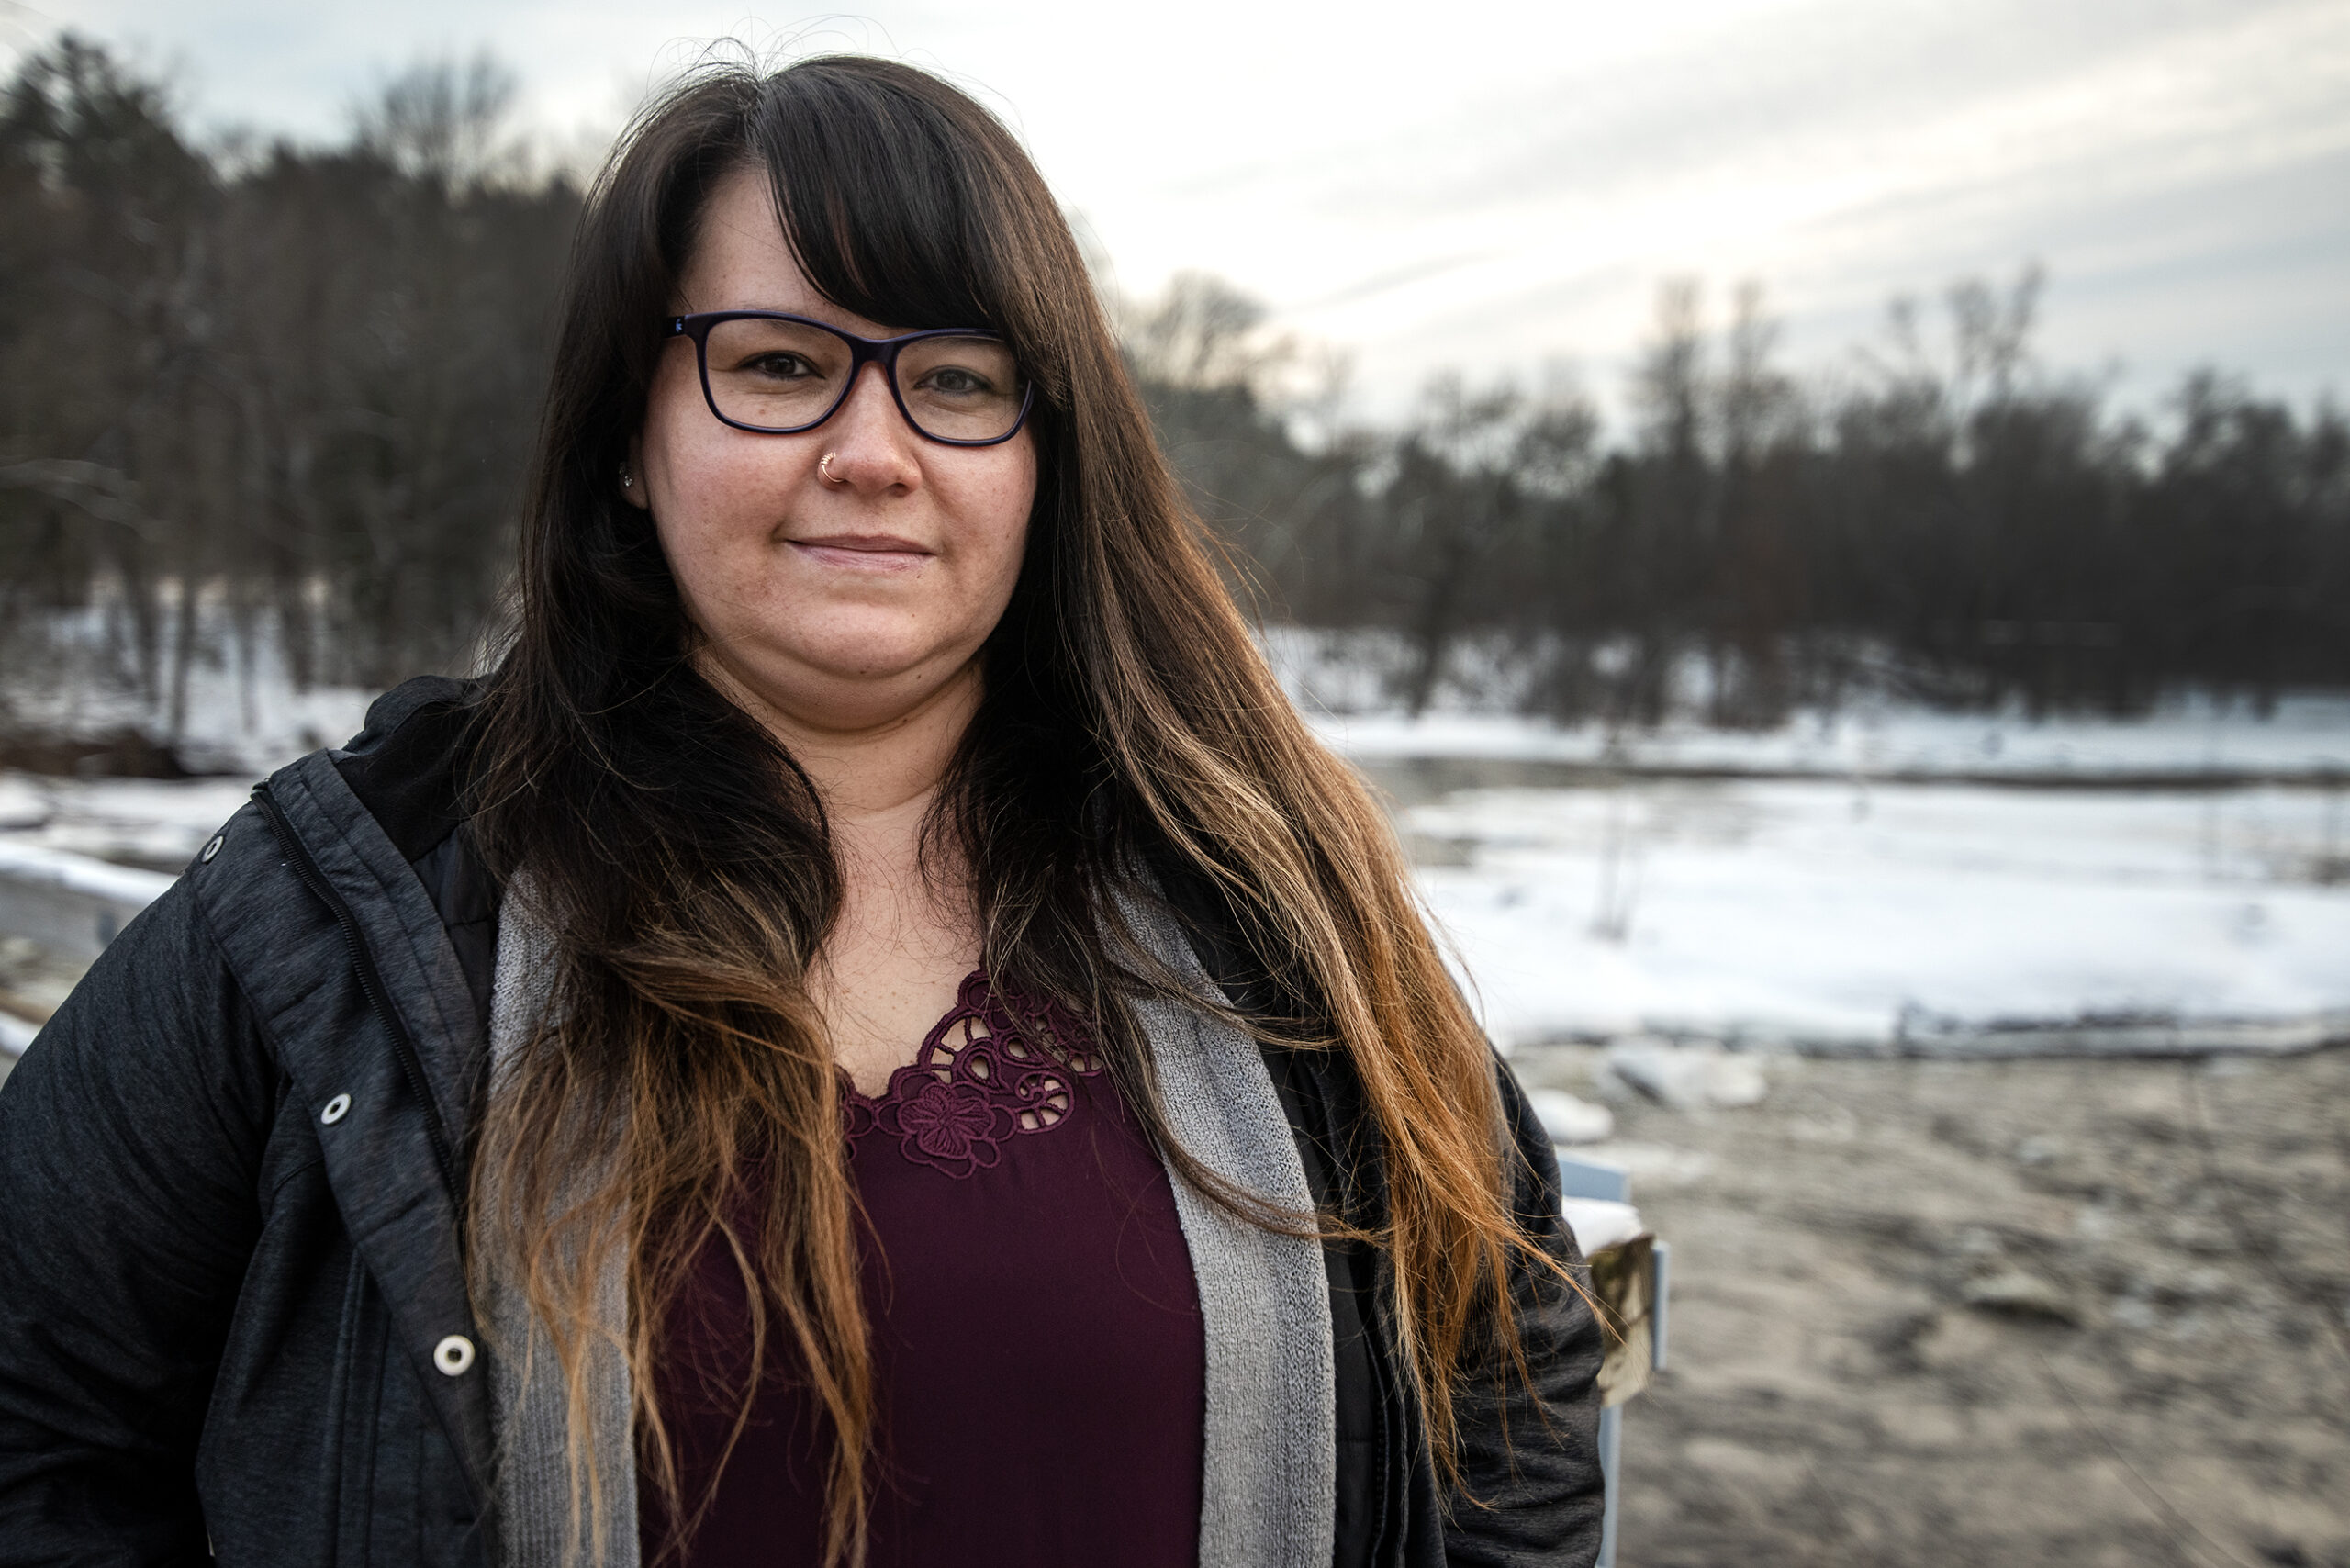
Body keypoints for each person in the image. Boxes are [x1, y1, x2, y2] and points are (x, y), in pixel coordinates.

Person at [0, 53, 1603, 1568]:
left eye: (959, 380)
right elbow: (35, 1410)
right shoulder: (363, 903)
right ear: (633, 435)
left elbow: (1514, 1392)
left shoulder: (1260, 891)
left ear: (1047, 457)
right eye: (779, 366)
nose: (873, 452)